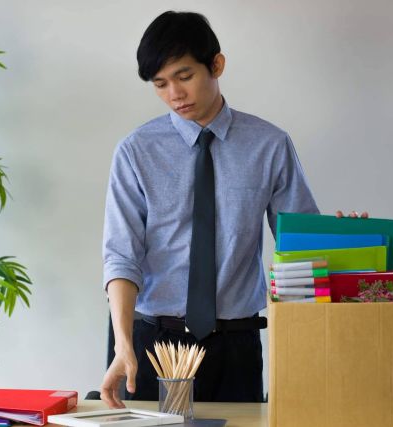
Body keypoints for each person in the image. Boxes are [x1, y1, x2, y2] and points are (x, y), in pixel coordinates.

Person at [100, 10, 363, 408]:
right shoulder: (136, 152)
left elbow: (300, 247)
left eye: (184, 76)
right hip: (150, 343)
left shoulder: (269, 145)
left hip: (235, 344)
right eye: (160, 84)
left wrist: (345, 244)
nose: (174, 94)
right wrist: (122, 344)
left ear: (216, 65)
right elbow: (121, 256)